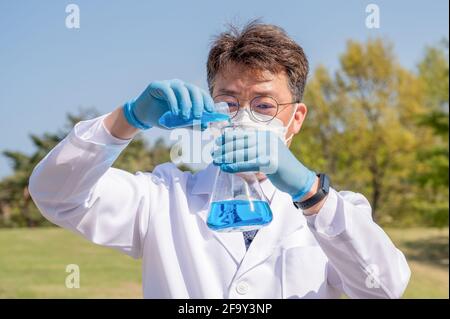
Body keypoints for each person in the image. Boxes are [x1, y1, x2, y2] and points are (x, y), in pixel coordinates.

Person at [29, 21, 410, 298]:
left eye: (263, 104)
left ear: (295, 119)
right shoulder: (164, 196)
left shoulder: (337, 210)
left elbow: (386, 288)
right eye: (227, 103)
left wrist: (310, 192)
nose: (242, 117)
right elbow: (55, 194)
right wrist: (127, 119)